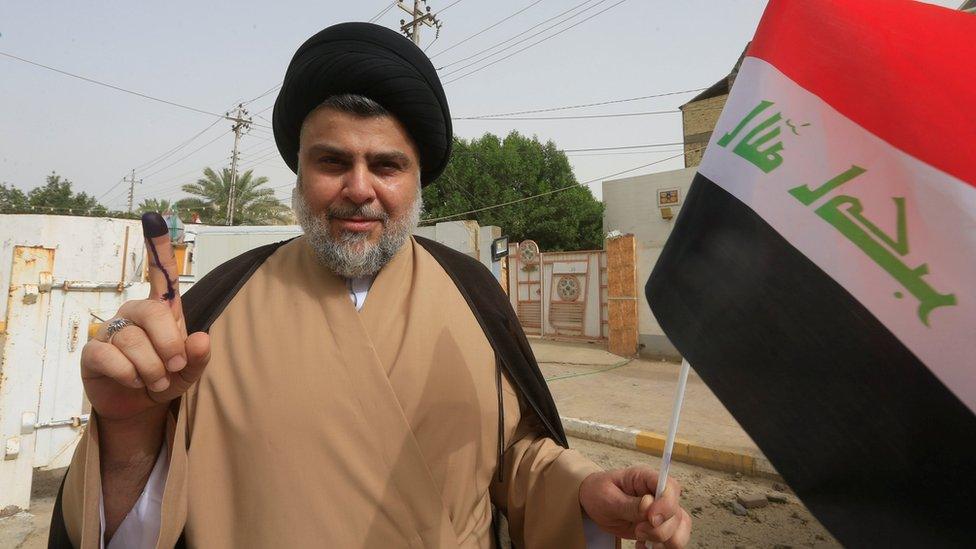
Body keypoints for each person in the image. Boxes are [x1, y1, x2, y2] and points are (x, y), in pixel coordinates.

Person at [49, 22, 692, 549]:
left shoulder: (472, 294)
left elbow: (517, 459)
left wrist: (584, 491)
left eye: (386, 164)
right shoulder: (217, 306)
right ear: (299, 176)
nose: (360, 189)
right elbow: (140, 523)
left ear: (417, 180)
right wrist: (129, 433)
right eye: (333, 161)